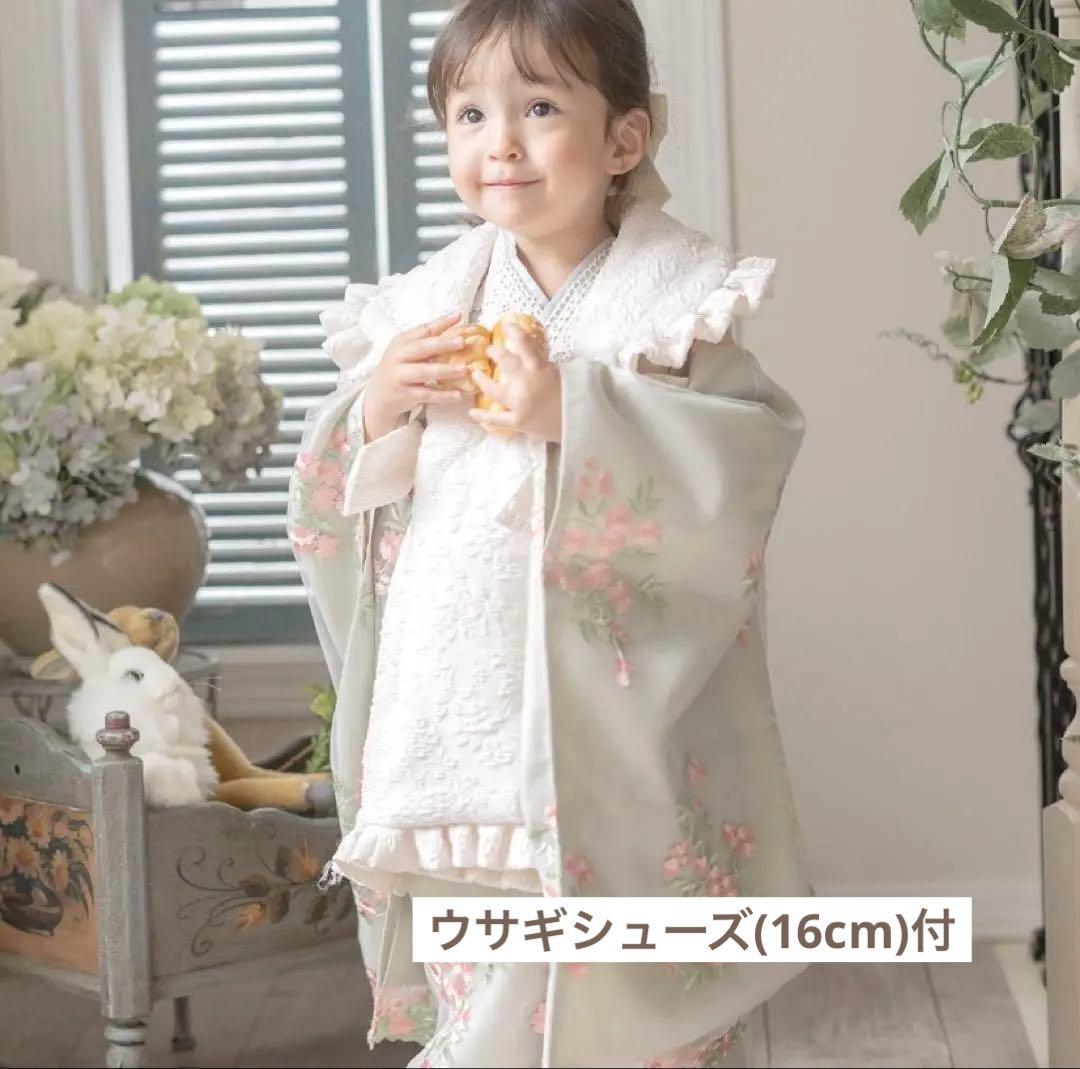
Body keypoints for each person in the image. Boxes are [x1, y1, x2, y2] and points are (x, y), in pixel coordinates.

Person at [286, 1, 815, 1065]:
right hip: (449, 727)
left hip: (598, 729)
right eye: (469, 115)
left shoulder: (677, 308)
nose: (501, 144)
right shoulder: (425, 311)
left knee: (610, 1002)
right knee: (480, 1001)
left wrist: (574, 411)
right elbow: (335, 502)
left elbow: (744, 459)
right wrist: (378, 408)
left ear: (625, 137)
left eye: (538, 108)